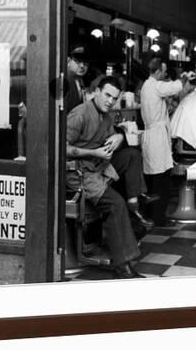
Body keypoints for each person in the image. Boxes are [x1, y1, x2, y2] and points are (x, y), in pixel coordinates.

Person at [66, 76, 152, 279]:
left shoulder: (105, 115)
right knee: (115, 204)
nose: (110, 101)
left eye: (114, 98)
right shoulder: (79, 114)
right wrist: (94, 153)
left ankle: (135, 204)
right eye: (107, 95)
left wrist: (119, 136)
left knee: (131, 155)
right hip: (79, 174)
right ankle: (122, 266)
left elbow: (112, 135)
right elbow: (61, 148)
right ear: (96, 91)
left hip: (98, 167)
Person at [140, 57, 187, 227]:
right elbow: (175, 87)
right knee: (162, 181)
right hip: (157, 137)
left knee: (152, 180)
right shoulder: (156, 85)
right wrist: (184, 77)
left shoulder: (146, 86)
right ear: (158, 71)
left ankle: (148, 214)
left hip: (151, 135)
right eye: (164, 71)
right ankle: (159, 217)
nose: (166, 74)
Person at [65, 44, 90, 113]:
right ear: (68, 61)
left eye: (85, 62)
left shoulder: (79, 79)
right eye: (78, 61)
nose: (82, 66)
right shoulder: (66, 78)